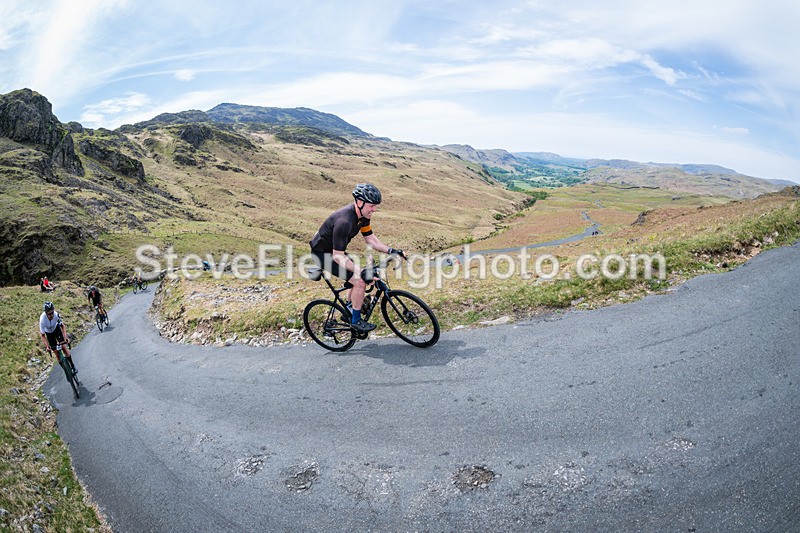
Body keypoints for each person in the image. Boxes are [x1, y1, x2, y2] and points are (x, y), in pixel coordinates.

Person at [310, 183, 406, 333]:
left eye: (376, 206)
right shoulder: (344, 221)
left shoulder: (363, 216)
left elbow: (371, 240)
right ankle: (355, 320)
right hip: (323, 255)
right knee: (360, 280)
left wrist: (391, 250)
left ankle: (349, 308)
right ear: (360, 203)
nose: (374, 209)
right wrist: (361, 272)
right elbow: (337, 256)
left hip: (336, 252)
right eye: (372, 206)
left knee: (358, 276)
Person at [39, 301, 76, 374]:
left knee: (63, 347)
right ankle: (66, 370)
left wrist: (66, 338)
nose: (51, 315)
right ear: (46, 313)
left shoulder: (56, 315)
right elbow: (42, 336)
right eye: (49, 314)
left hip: (56, 329)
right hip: (49, 333)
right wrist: (47, 346)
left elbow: (62, 326)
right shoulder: (42, 320)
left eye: (52, 312)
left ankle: (72, 365)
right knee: (57, 353)